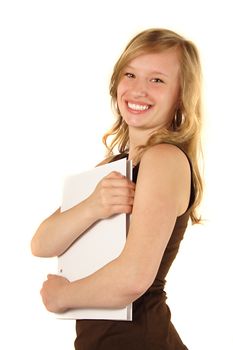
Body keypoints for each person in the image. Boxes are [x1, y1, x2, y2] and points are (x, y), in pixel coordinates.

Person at [31, 28, 203, 349]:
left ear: (181, 94)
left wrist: (63, 296)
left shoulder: (164, 159)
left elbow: (134, 278)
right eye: (130, 74)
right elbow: (42, 242)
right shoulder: (115, 165)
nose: (138, 90)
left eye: (157, 80)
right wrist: (93, 205)